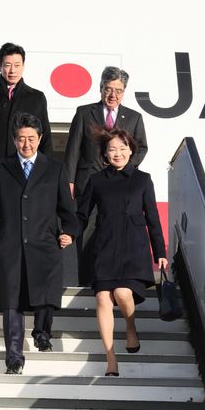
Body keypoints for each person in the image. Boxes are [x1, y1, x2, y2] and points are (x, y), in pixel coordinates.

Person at [0, 112, 78, 375]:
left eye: (31, 138)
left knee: (45, 294)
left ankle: (42, 333)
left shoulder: (54, 168)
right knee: (11, 302)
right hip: (8, 245)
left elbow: (67, 210)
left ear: (40, 138)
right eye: (21, 139)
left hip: (45, 243)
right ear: (14, 140)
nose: (26, 144)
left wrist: (70, 232)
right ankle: (14, 358)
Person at [77, 126, 167, 376]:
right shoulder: (96, 181)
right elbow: (82, 214)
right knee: (102, 297)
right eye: (112, 149)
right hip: (105, 247)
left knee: (123, 293)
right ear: (105, 154)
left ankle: (130, 326)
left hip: (133, 248)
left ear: (131, 150)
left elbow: (153, 218)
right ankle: (111, 357)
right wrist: (66, 233)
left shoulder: (143, 180)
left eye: (122, 148)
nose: (117, 153)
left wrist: (159, 250)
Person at [0, 42, 53, 288]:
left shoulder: (36, 97)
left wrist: (46, 169)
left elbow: (44, 134)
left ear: (23, 66)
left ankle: (20, 273)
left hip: (23, 170)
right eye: (7, 65)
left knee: (19, 218)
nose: (12, 70)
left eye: (16, 65)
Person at [64, 66, 148, 285]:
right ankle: (85, 282)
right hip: (87, 183)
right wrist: (69, 180)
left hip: (119, 186)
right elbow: (72, 149)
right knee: (87, 233)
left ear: (124, 91)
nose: (113, 95)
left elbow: (141, 148)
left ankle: (113, 282)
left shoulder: (134, 117)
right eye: (108, 89)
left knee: (114, 236)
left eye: (118, 90)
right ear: (100, 88)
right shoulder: (84, 112)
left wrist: (125, 168)